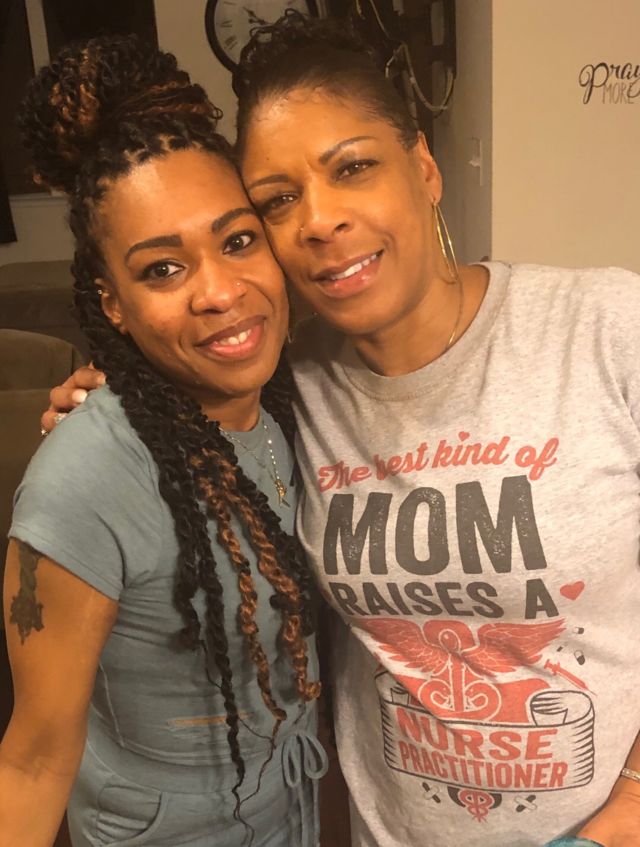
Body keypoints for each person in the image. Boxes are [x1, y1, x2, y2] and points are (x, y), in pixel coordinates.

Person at [41, 13, 640, 847]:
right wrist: (111, 395)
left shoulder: (609, 327)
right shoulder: (287, 386)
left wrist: (630, 809)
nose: (320, 220)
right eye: (279, 200)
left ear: (423, 167)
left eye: (352, 167)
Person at [0, 34, 327, 847]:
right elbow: (31, 763)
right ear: (111, 301)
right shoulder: (84, 481)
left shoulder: (292, 401)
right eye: (162, 269)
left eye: (237, 240)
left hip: (293, 811)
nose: (219, 291)